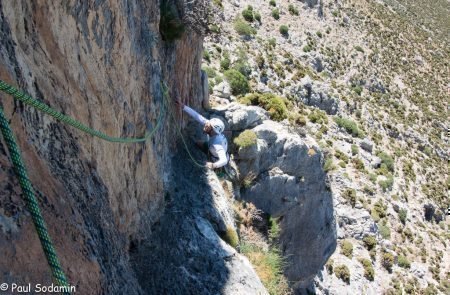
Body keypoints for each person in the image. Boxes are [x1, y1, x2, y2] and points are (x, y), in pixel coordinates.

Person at [175, 100, 229, 170]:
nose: (206, 124)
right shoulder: (211, 128)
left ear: (213, 130)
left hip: (215, 156)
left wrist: (213, 165)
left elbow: (224, 160)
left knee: (205, 165)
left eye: (208, 125)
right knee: (198, 143)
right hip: (211, 147)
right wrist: (183, 106)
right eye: (208, 123)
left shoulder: (217, 145)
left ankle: (217, 169)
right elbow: (197, 116)